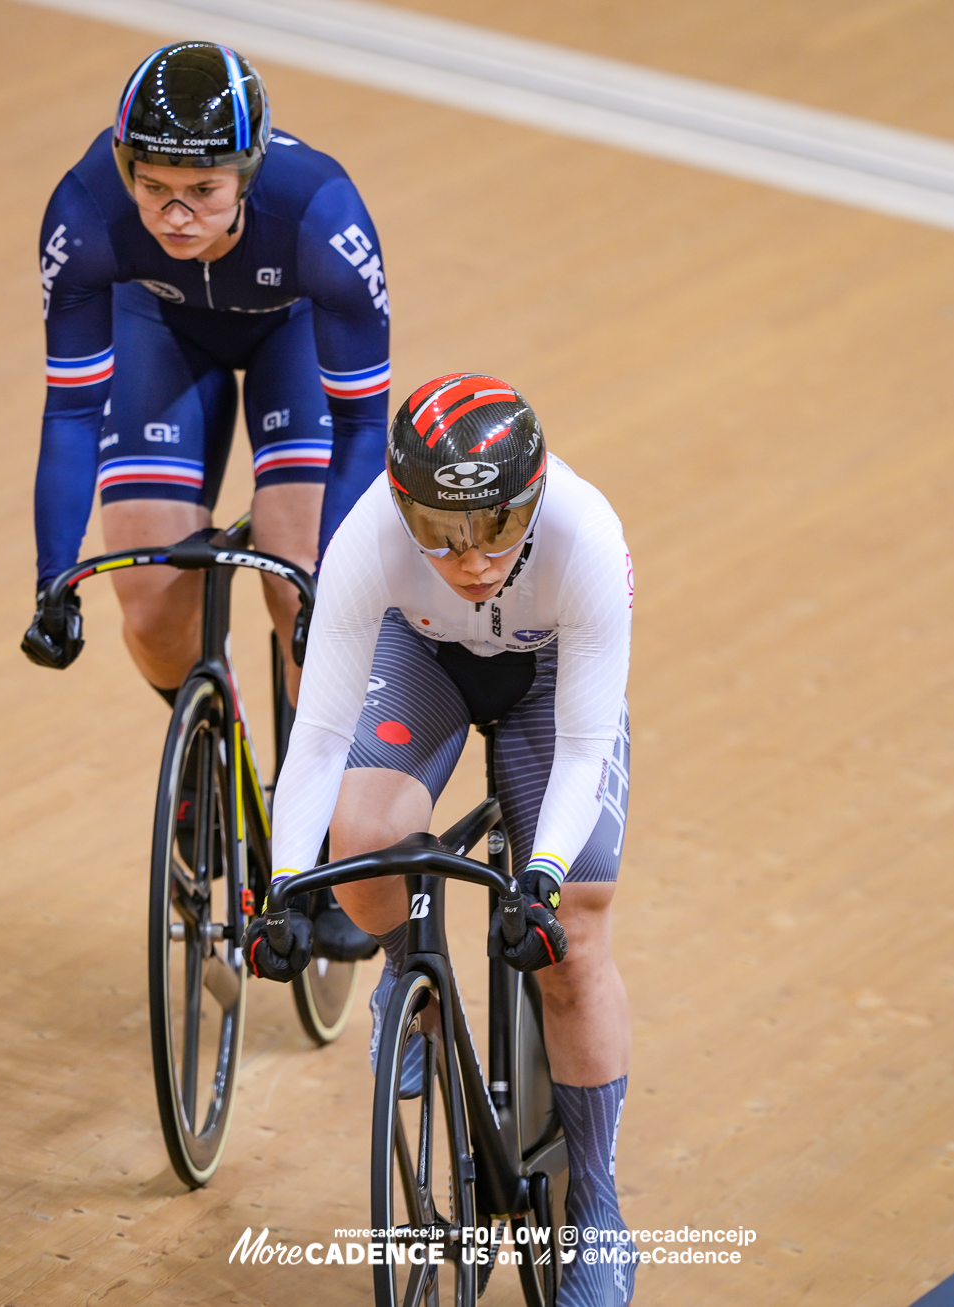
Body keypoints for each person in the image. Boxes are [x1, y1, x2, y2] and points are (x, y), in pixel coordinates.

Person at [245, 373, 639, 1306]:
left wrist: (539, 877)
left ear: (535, 498)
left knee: (575, 932)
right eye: (441, 530)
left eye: (496, 528)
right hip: (424, 659)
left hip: (548, 687)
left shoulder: (586, 534)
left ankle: (597, 1208)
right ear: (398, 499)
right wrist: (281, 886)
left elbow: (587, 745)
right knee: (365, 833)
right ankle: (403, 978)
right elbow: (315, 737)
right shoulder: (367, 537)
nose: (469, 560)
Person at [19, 42, 390, 958]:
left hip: (291, 338)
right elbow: (71, 409)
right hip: (161, 331)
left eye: (205, 193)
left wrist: (332, 598)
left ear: (249, 173)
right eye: (153, 189)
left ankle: (328, 839)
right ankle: (207, 773)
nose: (176, 215)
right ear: (123, 168)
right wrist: (51, 579)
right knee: (146, 603)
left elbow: (363, 431)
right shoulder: (84, 213)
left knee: (300, 581)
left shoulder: (323, 220)